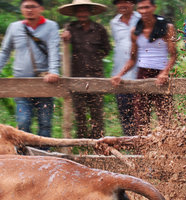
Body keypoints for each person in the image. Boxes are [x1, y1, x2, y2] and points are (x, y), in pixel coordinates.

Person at [111, 0, 177, 132]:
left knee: (165, 116)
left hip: (161, 74)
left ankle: (169, 148)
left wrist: (164, 72)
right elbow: (132, 59)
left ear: (153, 7)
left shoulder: (166, 27)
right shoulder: (135, 31)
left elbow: (174, 55)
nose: (144, 11)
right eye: (141, 8)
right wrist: (119, 74)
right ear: (138, 9)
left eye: (147, 7)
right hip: (142, 74)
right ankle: (143, 149)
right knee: (141, 118)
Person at [0, 0, 60, 139]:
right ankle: (24, 155)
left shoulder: (51, 26)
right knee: (23, 122)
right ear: (21, 9)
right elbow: (5, 52)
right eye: (26, 7)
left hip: (44, 82)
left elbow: (53, 50)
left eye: (33, 6)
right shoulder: (14, 27)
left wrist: (54, 71)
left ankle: (44, 155)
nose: (29, 10)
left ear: (41, 9)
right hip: (21, 83)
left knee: (45, 123)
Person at [59, 0, 111, 138]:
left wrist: (93, 58)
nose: (82, 13)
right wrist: (65, 39)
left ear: (89, 12)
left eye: (85, 10)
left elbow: (106, 49)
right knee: (79, 111)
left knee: (96, 112)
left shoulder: (99, 29)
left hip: (95, 76)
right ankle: (82, 142)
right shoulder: (70, 28)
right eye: (79, 10)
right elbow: (64, 45)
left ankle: (98, 142)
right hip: (76, 76)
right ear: (76, 13)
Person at [110, 0, 141, 136]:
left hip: (139, 73)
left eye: (126, 2)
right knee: (125, 112)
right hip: (120, 74)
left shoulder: (141, 19)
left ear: (132, 3)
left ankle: (142, 145)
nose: (122, 5)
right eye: (119, 2)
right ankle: (129, 143)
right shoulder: (114, 23)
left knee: (140, 113)